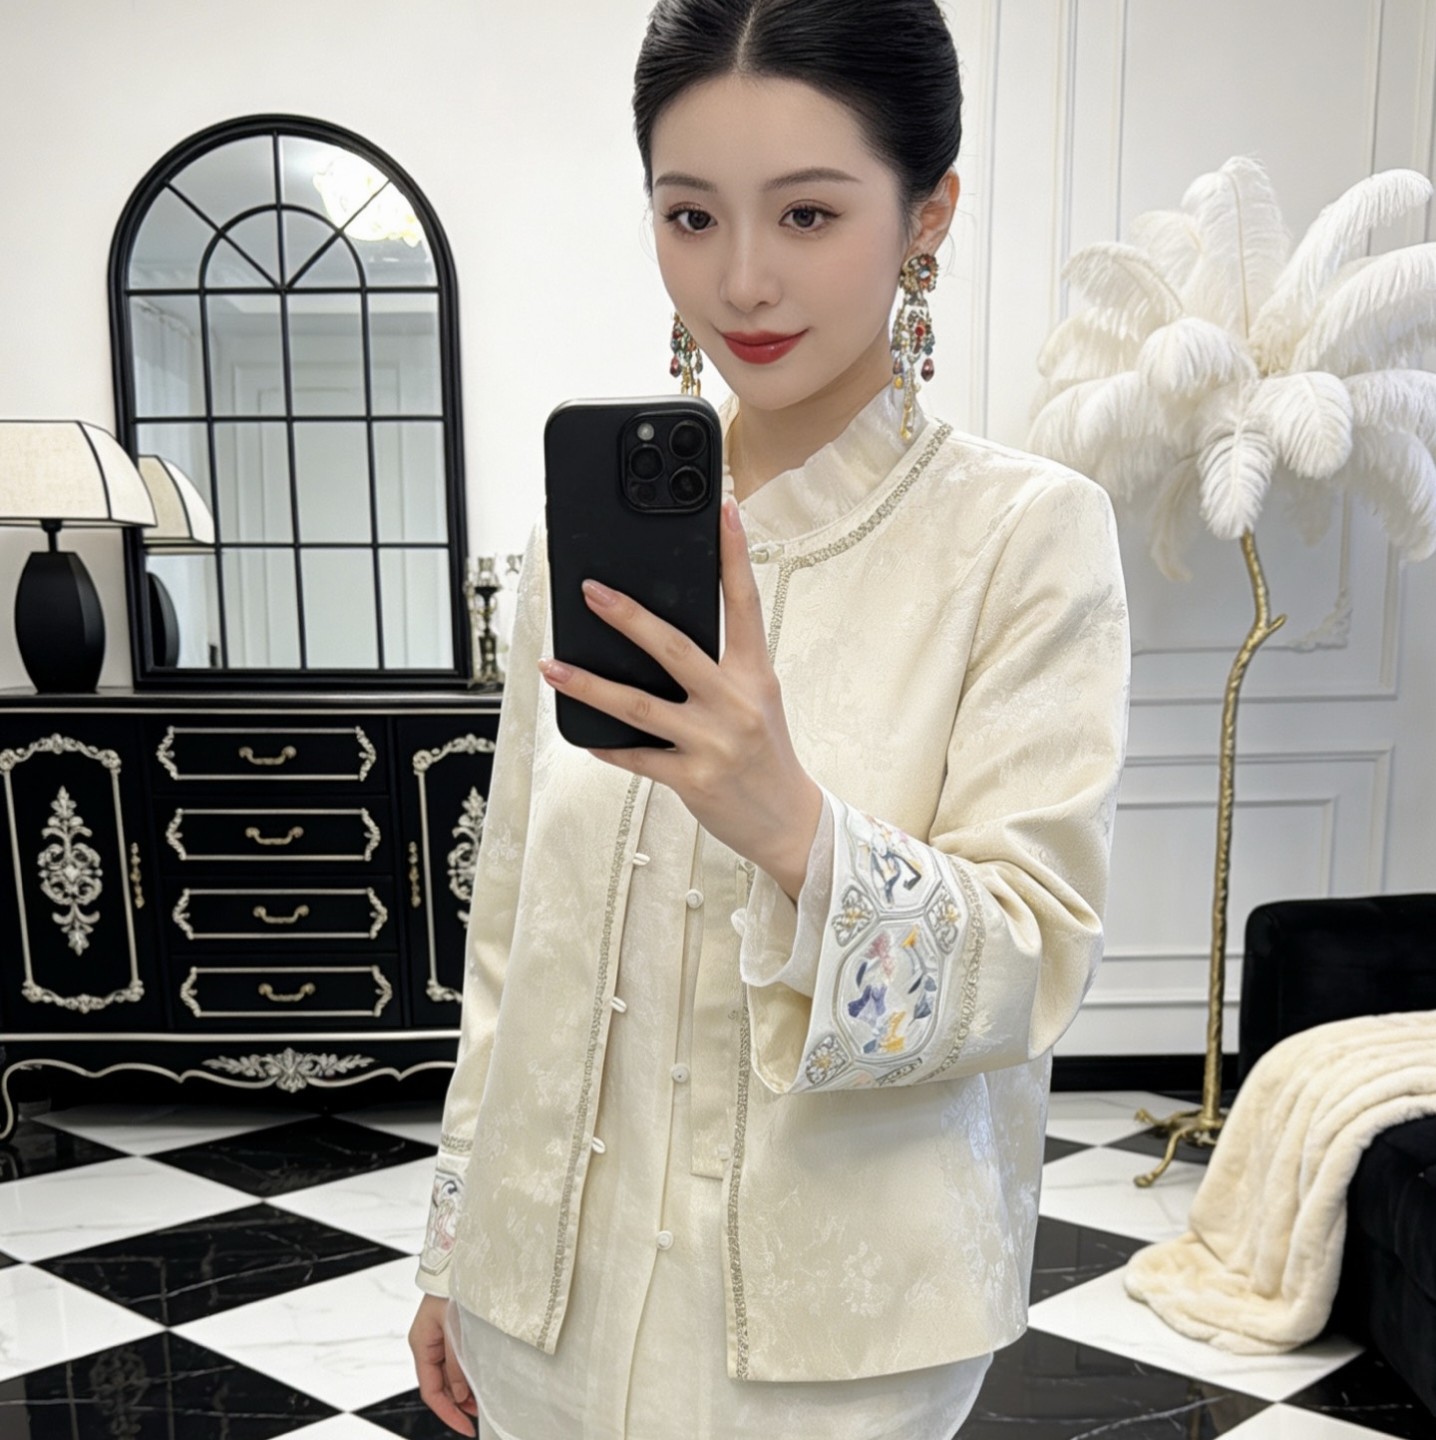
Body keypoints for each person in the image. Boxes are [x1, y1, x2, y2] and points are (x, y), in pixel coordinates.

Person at [408, 1, 1131, 1436]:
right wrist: (455, 1248)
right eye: (691, 216)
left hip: (832, 1349)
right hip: (541, 1304)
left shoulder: (1024, 539)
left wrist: (791, 828)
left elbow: (1032, 960)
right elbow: (511, 934)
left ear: (929, 214)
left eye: (808, 213)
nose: (740, 279)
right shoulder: (581, 549)